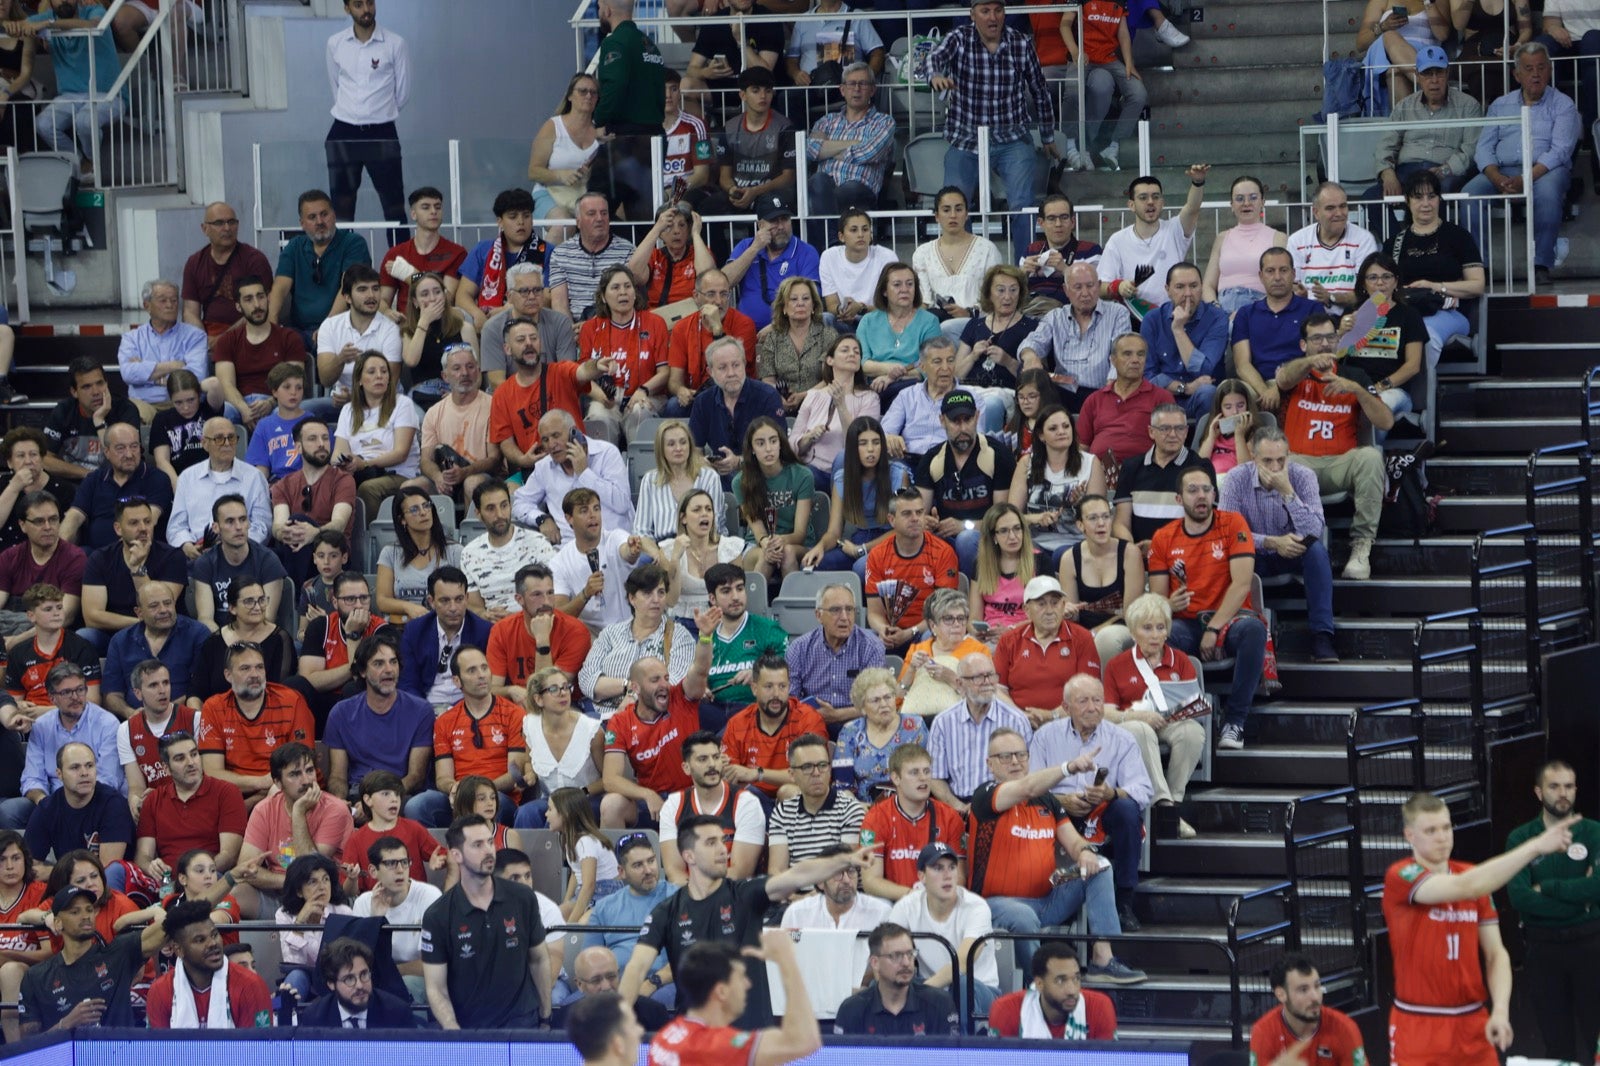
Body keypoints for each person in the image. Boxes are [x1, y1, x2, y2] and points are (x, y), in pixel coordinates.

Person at [623, 812, 873, 1028]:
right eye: (711, 843)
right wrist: (617, 1021)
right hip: (698, 1043)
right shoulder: (666, 911)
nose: (723, 849)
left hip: (751, 1041)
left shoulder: (745, 894)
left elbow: (796, 875)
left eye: (724, 840)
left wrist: (845, 860)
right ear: (688, 856)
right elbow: (636, 968)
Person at [1385, 793, 1578, 1065]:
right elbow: (1466, 886)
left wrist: (1499, 1010)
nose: (1442, 837)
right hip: (1420, 1021)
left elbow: (1496, 954)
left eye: (1446, 827)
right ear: (1409, 836)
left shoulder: (1472, 876)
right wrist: (1535, 846)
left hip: (1472, 1021)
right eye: (1430, 830)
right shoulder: (1401, 875)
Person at [968, 728, 1142, 982]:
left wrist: (1084, 852)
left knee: (1101, 866)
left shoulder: (1046, 800)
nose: (1015, 761)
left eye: (1020, 755)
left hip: (1048, 899)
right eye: (1005, 756)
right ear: (990, 764)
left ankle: (1103, 961)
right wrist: (1069, 767)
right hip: (997, 903)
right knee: (1022, 916)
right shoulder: (985, 795)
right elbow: (1026, 788)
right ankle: (1041, 982)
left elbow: (1073, 841)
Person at [1148, 466, 1267, 751]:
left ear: (1215, 493)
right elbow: (1157, 600)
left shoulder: (1232, 523)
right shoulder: (1163, 538)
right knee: (1163, 637)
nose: (1201, 496)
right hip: (1187, 622)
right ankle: (1184, 718)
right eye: (1192, 490)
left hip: (1231, 619)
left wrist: (1214, 628)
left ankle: (1235, 721)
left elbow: (1241, 584)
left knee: (1254, 630)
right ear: (1179, 499)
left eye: (1206, 489)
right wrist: (1168, 604)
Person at [926, 1, 1058, 247]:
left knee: (1023, 205)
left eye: (998, 10)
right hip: (966, 139)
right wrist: (935, 75)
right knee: (954, 205)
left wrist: (1048, 136)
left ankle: (1024, 270)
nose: (992, 17)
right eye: (985, 11)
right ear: (972, 14)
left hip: (1013, 139)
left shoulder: (1021, 43)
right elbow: (934, 57)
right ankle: (962, 267)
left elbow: (1040, 90)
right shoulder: (959, 38)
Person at [1029, 674, 1151, 928]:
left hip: (1102, 810)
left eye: (1097, 700)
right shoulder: (1044, 737)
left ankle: (1124, 902)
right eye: (1083, 701)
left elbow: (1142, 789)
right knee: (1039, 809)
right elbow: (1031, 788)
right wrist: (1062, 800)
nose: (1093, 707)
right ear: (1065, 708)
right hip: (1057, 808)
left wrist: (1111, 793)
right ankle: (1045, 897)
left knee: (1127, 810)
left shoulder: (1122, 738)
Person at [1277, 315, 1393, 581]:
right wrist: (1308, 363)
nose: (1325, 344)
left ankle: (1361, 547)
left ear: (1338, 341)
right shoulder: (1296, 374)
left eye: (1330, 337)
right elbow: (1282, 380)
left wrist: (1358, 390)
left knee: (1372, 457)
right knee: (1285, 465)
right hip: (1300, 462)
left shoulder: (1355, 375)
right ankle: (1301, 549)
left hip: (1341, 463)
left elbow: (1386, 421)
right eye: (1316, 339)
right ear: (1303, 345)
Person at [1503, 760, 1600, 1059]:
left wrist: (1547, 888)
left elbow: (1597, 887)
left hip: (1590, 946)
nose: (1563, 793)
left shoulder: (1594, 832)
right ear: (1538, 791)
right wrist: (1579, 901)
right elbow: (1519, 897)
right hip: (1542, 948)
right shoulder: (1521, 839)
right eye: (1554, 786)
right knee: (1556, 1042)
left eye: (1569, 786)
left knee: (1597, 1038)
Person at [1462, 43, 1578, 288]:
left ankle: (1542, 264)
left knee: (1547, 192)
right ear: (1517, 75)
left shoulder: (1563, 104)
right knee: (1468, 195)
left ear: (1550, 70)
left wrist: (1526, 178)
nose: (1536, 74)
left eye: (1541, 68)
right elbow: (1484, 147)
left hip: (1545, 170)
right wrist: (1495, 177)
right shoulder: (1500, 105)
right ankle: (1478, 268)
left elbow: (1560, 151)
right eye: (1528, 68)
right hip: (1502, 171)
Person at [1220, 428, 1337, 662]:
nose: (1275, 468)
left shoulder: (1303, 476)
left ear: (1289, 456)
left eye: (1281, 460)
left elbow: (1314, 531)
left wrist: (1288, 493)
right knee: (1226, 555)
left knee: (1316, 551)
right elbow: (1227, 534)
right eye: (1267, 461)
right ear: (1253, 457)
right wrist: (1271, 542)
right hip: (1254, 557)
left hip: (1294, 552)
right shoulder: (1236, 478)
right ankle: (1236, 634)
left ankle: (1322, 636)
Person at [423, 815, 552, 1027]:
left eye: (490, 842)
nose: (489, 850)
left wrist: (546, 1017)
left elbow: (539, 959)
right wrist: (454, 1033)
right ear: (456, 854)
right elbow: (436, 987)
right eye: (477, 845)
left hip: (521, 1022)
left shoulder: (523, 898)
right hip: (468, 1027)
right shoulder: (438, 914)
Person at [15, 884, 169, 1035]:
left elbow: (167, 929)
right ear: (58, 923)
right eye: (75, 912)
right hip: (65, 1059)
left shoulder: (118, 953)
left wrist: (157, 910)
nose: (86, 916)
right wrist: (67, 1023)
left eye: (89, 910)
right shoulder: (36, 976)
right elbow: (29, 1044)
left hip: (118, 1057)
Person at [1364, 46, 1481, 234]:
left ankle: (1436, 252)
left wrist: (1445, 170)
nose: (1434, 80)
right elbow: (1386, 144)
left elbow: (1471, 150)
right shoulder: (1405, 106)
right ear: (1418, 75)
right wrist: (1387, 173)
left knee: (1436, 193)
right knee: (1371, 197)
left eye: (1439, 73)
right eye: (1427, 74)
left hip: (1445, 171)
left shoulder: (1468, 105)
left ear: (1447, 73)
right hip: (1407, 171)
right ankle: (1397, 248)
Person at [197, 644, 317, 810]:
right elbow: (212, 774)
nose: (255, 675)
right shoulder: (214, 707)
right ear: (228, 675)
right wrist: (261, 782)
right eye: (245, 668)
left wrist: (249, 804)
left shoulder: (291, 701)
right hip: (236, 794)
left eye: (259, 667)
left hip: (286, 792)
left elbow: (301, 770)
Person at [323, 0, 408, 231]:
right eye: (358, 4)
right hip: (344, 128)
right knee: (341, 207)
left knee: (394, 206)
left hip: (382, 130)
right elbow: (336, 86)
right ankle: (342, 266)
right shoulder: (335, 43)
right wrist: (353, 112)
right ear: (347, 8)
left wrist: (377, 113)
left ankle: (399, 267)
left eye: (369, 3)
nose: (366, 10)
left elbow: (402, 93)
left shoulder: (394, 43)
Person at [885, 841, 999, 1014]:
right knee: (887, 982)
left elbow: (962, 962)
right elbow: (886, 949)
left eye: (952, 867)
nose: (947, 875)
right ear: (922, 876)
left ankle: (963, 1042)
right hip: (931, 987)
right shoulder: (907, 906)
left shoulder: (977, 907)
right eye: (938, 868)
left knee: (961, 984)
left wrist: (919, 993)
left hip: (979, 989)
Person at [490, 319, 612, 480]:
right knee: (509, 494)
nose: (529, 343)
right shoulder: (502, 394)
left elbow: (583, 371)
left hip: (574, 464)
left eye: (534, 338)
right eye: (521, 340)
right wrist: (522, 459)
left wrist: (597, 366)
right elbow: (505, 442)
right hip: (535, 470)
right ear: (507, 349)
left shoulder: (560, 372)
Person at [1392, 169, 1487, 368]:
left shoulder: (1458, 236)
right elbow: (1382, 288)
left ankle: (1419, 396)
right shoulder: (1394, 243)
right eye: (1418, 197)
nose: (1425, 203)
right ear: (1407, 201)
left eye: (1431, 196)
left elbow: (1478, 285)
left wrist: (1434, 286)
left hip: (1449, 313)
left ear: (1439, 199)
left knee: (1422, 336)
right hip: (1405, 312)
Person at [324, 632, 432, 802]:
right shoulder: (341, 713)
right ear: (362, 671)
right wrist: (340, 804)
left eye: (393, 662)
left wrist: (379, 801)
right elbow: (338, 776)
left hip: (401, 793)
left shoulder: (421, 710)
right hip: (357, 793)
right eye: (378, 664)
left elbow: (415, 777)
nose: (389, 670)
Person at [925, 651, 1033, 814]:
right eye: (978, 677)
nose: (987, 682)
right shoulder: (943, 723)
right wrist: (959, 808)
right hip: (958, 807)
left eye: (991, 675)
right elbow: (935, 777)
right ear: (960, 684)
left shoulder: (1016, 720)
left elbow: (1028, 774)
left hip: (1006, 805)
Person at [804, 415, 912, 577]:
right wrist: (819, 547)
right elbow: (834, 532)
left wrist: (862, 549)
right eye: (863, 443)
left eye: (876, 443)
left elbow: (902, 529)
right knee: (814, 565)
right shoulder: (842, 479)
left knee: (862, 568)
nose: (871, 449)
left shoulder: (898, 475)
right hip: (859, 538)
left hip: (891, 541)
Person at [657, 729, 766, 883]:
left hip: (734, 896)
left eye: (716, 757)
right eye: (702, 759)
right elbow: (675, 872)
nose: (712, 765)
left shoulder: (746, 803)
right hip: (689, 896)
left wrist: (701, 892)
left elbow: (740, 872)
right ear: (686, 768)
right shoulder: (673, 805)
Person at [132, 730, 245, 877]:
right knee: (118, 871)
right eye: (180, 758)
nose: (191, 762)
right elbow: (143, 856)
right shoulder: (153, 800)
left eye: (194, 754)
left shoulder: (227, 792)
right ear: (166, 768)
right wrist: (151, 867)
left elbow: (229, 855)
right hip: (165, 881)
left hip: (211, 878)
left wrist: (194, 876)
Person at [576, 266, 671, 443]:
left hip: (647, 394)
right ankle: (603, 470)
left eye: (628, 287)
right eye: (615, 287)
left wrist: (643, 390)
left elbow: (664, 372)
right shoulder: (590, 328)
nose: (623, 293)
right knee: (599, 416)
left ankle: (642, 471)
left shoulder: (655, 323)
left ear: (635, 293)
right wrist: (601, 396)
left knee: (639, 413)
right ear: (603, 296)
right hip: (606, 395)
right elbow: (583, 375)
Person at [145, 899, 274, 1029]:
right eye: (200, 940)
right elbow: (158, 1048)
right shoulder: (160, 991)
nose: (213, 943)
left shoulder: (250, 986)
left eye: (214, 934)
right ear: (178, 950)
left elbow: (258, 1048)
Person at [1096, 167, 1210, 313]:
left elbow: (1193, 208)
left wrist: (1198, 182)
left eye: (1155, 197)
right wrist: (1118, 287)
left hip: (1174, 315)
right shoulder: (1117, 240)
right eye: (1143, 198)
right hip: (1134, 318)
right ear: (1131, 205)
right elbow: (1100, 287)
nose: (1150, 202)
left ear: (1162, 202)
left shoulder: (1174, 229)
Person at [993, 577, 1101, 728]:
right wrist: (1020, 717)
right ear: (1026, 610)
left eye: (1055, 603)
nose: (1050, 611)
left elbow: (1088, 694)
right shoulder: (1009, 640)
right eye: (1041, 604)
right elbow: (997, 690)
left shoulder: (1082, 638)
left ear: (1063, 605)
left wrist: (1051, 716)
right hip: (1018, 724)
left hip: (1068, 724)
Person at [720, 656, 830, 804]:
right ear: (754, 688)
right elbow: (730, 774)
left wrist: (757, 774)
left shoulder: (808, 718)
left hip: (797, 802)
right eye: (769, 686)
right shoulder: (737, 724)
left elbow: (811, 774)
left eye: (782, 686)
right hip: (752, 801)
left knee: (789, 792)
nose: (776, 694)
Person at [269, 190, 372, 347]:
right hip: (299, 331)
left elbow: (348, 287)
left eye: (324, 214)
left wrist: (327, 327)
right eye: (312, 217)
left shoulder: (353, 243)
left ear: (334, 215)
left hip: (343, 329)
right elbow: (280, 288)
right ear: (302, 223)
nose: (319, 221)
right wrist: (271, 325)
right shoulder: (295, 246)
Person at [515, 410, 634, 544]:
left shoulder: (606, 453)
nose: (551, 445)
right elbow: (520, 502)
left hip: (613, 545)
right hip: (569, 549)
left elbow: (622, 504)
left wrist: (584, 473)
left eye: (556, 435)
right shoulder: (544, 467)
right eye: (545, 440)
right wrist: (541, 518)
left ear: (574, 433)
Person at [333, 351, 428, 520]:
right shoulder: (348, 410)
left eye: (384, 372)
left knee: (368, 489)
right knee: (333, 485)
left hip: (397, 474)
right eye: (372, 372)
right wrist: (345, 462)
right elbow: (337, 455)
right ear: (359, 380)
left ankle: (369, 541)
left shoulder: (402, 404)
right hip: (359, 472)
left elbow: (400, 453)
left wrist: (365, 464)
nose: (379, 376)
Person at [1055, 0, 1146, 173]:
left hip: (1109, 59)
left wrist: (1128, 62)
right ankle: (1070, 143)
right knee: (1073, 93)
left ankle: (1114, 145)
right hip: (1083, 56)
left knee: (1138, 93)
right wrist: (1075, 52)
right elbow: (1065, 25)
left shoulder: (1119, 1)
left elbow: (1123, 33)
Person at [864, 488, 959, 653]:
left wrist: (910, 632)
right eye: (907, 514)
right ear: (891, 520)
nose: (915, 519)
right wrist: (883, 630)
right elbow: (874, 613)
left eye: (920, 512)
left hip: (925, 630)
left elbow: (942, 612)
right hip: (892, 633)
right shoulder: (877, 555)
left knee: (933, 635)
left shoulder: (943, 552)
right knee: (864, 638)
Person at [295, 570, 396, 725]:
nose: (358, 605)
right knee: (296, 685)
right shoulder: (321, 626)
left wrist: (353, 635)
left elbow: (363, 679)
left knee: (353, 688)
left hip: (362, 703)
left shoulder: (382, 630)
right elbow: (309, 679)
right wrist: (352, 668)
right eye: (350, 599)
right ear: (335, 602)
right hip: (323, 701)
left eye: (363, 598)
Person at [1010, 404, 1105, 568]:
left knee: (1062, 556)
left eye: (1066, 426)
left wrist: (1082, 504)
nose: (1062, 431)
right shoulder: (1026, 464)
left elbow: (1100, 519)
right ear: (1041, 435)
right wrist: (1035, 518)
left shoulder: (1090, 463)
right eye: (1053, 428)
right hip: (1035, 544)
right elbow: (1009, 517)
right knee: (1027, 557)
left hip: (1075, 544)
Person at [1111, 402, 1215, 550]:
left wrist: (1160, 550)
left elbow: (1206, 523)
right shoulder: (1131, 467)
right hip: (1139, 558)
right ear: (1151, 432)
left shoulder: (1201, 467)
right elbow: (1121, 523)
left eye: (1179, 428)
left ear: (1186, 432)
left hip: (1186, 557)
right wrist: (1132, 551)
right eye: (1165, 428)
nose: (1173, 434)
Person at [23, 741, 134, 880]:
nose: (84, 773)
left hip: (112, 888)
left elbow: (105, 870)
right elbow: (27, 867)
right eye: (75, 767)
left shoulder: (113, 804)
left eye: (89, 766)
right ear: (59, 774)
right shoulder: (47, 808)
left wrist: (54, 872)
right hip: (69, 886)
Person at [268, 417, 357, 590]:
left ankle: (296, 598)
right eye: (312, 439)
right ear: (298, 447)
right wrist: (283, 532)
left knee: (299, 520)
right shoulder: (283, 485)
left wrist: (314, 533)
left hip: (332, 557)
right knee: (265, 552)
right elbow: (278, 525)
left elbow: (339, 524)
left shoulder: (343, 480)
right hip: (293, 554)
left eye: (325, 438)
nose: (321, 444)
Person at [1230, 248, 1322, 413]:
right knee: (1233, 394)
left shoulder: (1313, 309)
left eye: (1283, 270)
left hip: (1298, 381)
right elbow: (1242, 364)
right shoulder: (1246, 314)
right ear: (1261, 276)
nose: (1277, 277)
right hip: (1258, 384)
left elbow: (1315, 358)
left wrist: (1278, 388)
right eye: (1270, 271)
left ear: (1293, 274)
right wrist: (1266, 392)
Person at [16, 662, 121, 808]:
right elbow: (32, 778)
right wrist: (44, 801)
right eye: (66, 692)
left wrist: (72, 804)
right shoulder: (41, 726)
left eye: (80, 690)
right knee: (12, 810)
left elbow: (108, 779)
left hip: (94, 800)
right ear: (52, 698)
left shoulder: (107, 724)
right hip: (51, 801)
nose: (75, 697)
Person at [1339, 252, 1427, 424]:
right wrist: (1341, 332)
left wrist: (1378, 388)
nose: (1380, 282)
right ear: (1364, 283)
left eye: (1386, 276)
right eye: (1373, 277)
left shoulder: (1409, 315)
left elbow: (1413, 366)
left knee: (1375, 406)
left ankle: (1372, 450)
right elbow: (1335, 356)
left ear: (1396, 282)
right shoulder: (1352, 313)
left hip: (1392, 390)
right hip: (1352, 386)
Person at [580, 835, 676, 991]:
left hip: (662, 984)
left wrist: (652, 983)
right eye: (638, 865)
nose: (648, 870)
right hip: (611, 985)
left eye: (651, 861)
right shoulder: (604, 907)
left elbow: (692, 956)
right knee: (571, 1009)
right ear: (622, 871)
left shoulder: (679, 898)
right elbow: (589, 960)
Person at [689, 338, 787, 488]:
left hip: (762, 477)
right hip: (718, 479)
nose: (731, 373)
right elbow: (694, 450)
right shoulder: (703, 402)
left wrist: (739, 462)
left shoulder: (767, 396)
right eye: (722, 368)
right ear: (710, 372)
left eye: (736, 365)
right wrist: (706, 463)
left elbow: (779, 451)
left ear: (744, 364)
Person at [486, 564, 592, 703]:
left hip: (565, 707)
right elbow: (490, 689)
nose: (546, 602)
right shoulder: (502, 630)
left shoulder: (576, 631)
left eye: (550, 593)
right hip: (518, 707)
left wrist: (542, 640)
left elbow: (549, 692)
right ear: (519, 599)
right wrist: (510, 690)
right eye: (537, 595)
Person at [1058, 493, 1143, 667]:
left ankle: (1106, 693)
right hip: (1083, 630)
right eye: (1093, 518)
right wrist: (1069, 612)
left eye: (1106, 516)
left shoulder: (1129, 553)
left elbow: (1130, 614)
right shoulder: (1069, 559)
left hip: (1122, 627)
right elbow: (1072, 617)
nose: (1101, 524)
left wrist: (1096, 632)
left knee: (1106, 639)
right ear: (1080, 525)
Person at [785, 582, 886, 726]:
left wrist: (838, 716)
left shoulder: (871, 646)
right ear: (818, 615)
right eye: (835, 610)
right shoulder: (799, 649)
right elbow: (790, 700)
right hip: (811, 723)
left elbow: (879, 702)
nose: (844, 617)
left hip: (860, 725)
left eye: (849, 609)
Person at [115, 280, 215, 425]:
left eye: (174, 300)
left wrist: (147, 372)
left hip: (183, 403)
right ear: (146, 306)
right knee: (132, 415)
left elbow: (196, 376)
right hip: (145, 404)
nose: (170, 305)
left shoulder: (195, 336)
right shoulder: (131, 338)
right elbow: (128, 373)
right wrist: (176, 365)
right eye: (163, 300)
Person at [187, 576, 296, 706]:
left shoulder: (280, 639)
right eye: (249, 601)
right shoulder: (214, 642)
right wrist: (200, 718)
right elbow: (195, 692)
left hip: (266, 717)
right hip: (217, 718)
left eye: (261, 600)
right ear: (232, 608)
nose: (258, 607)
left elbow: (281, 692)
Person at [664, 269, 758, 419]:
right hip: (697, 396)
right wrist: (681, 390)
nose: (718, 301)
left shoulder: (744, 324)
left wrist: (717, 329)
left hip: (734, 392)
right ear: (696, 296)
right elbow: (674, 380)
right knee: (673, 406)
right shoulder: (682, 328)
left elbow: (732, 372)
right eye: (711, 294)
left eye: (724, 294)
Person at [1140, 263, 1228, 421]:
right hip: (1162, 398)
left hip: (1201, 398)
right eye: (1180, 287)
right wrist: (1185, 388)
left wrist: (1178, 330)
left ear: (1202, 287)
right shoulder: (1152, 319)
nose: (1188, 294)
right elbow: (1148, 375)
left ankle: (1203, 445)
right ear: (1167, 290)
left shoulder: (1217, 317)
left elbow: (1204, 371)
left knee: (1207, 392)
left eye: (1194, 286)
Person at [915, 188, 1003, 345]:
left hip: (980, 322)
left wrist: (969, 312)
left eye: (959, 209)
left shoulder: (987, 249)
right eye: (946, 210)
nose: (953, 215)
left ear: (967, 213)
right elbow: (924, 302)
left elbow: (997, 295)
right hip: (936, 326)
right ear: (936, 216)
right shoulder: (922, 253)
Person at [397, 567, 492, 712]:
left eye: (459, 599)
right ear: (431, 601)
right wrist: (423, 712)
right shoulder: (415, 631)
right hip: (425, 708)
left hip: (469, 709)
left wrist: (454, 715)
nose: (453, 608)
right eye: (445, 601)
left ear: (467, 598)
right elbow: (408, 684)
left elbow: (487, 685)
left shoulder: (484, 631)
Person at [805, 64, 894, 216]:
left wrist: (827, 148)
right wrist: (854, 143)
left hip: (860, 189)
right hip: (825, 185)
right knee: (818, 181)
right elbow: (810, 150)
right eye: (851, 83)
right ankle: (834, 240)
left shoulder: (884, 122)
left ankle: (828, 239)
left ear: (872, 90)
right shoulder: (826, 121)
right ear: (842, 90)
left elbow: (867, 154)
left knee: (833, 195)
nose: (857, 89)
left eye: (863, 84)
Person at [768, 737, 867, 873]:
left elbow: (845, 869)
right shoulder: (782, 813)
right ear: (792, 775)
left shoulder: (850, 810)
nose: (816, 773)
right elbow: (776, 871)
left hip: (837, 890)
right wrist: (796, 896)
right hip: (794, 891)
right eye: (807, 767)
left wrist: (814, 894)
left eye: (822, 765)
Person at [1249, 952, 1368, 1065]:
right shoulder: (1263, 1032)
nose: (1315, 997)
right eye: (1303, 990)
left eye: (1317, 986)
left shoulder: (1345, 1028)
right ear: (1281, 994)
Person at [724, 199, 822, 335]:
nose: (781, 226)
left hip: (791, 331)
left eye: (785, 219)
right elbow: (724, 282)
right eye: (774, 221)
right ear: (761, 225)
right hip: (745, 332)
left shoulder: (806, 251)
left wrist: (778, 326)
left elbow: (812, 298)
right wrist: (755, 248)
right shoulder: (746, 246)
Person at [188, 495, 286, 631]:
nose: (239, 527)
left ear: (249, 523)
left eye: (243, 519)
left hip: (260, 639)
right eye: (230, 521)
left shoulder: (268, 560)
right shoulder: (205, 563)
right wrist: (225, 642)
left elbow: (267, 618)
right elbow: (206, 618)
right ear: (216, 527)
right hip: (220, 638)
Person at [460, 481, 554, 623]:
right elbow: (475, 606)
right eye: (491, 509)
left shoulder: (538, 543)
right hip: (493, 627)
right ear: (478, 514)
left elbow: (552, 598)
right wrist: (485, 614)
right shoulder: (469, 553)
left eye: (504, 506)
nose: (499, 514)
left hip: (534, 623)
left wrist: (515, 619)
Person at [182, 204, 275, 345]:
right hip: (206, 336)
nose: (227, 228)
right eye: (219, 223)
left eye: (232, 222)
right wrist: (201, 341)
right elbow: (190, 312)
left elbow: (263, 307)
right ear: (204, 229)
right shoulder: (195, 262)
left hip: (247, 334)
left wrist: (223, 340)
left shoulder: (253, 259)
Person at [41, 357, 142, 486]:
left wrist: (99, 421)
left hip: (116, 483)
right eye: (86, 387)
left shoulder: (126, 410)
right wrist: (88, 474)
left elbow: (125, 461)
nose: (96, 392)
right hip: (74, 484)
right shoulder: (63, 411)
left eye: (100, 383)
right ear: (74, 392)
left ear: (107, 384)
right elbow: (44, 459)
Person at [0, 494, 86, 644]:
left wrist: (17, 641)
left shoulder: (74, 558)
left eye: (53, 519)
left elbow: (64, 616)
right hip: (10, 628)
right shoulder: (9, 557)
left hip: (51, 635)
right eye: (39, 521)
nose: (48, 527)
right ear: (22, 525)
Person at [1076, 334, 1174, 464]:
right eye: (1127, 354)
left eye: (1140, 354)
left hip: (1144, 473)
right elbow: (1082, 446)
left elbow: (1171, 444)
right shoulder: (1094, 400)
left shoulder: (1161, 398)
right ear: (1113, 360)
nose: (1135, 360)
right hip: (1099, 473)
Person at [989, 940, 1118, 1040]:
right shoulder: (1006, 1009)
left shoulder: (1100, 1006)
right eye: (1060, 981)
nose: (1072, 990)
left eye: (1076, 979)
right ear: (1039, 984)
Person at [835, 668, 926, 803]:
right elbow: (842, 785)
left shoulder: (914, 726)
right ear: (863, 708)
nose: (884, 704)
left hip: (907, 805)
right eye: (876, 700)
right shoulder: (850, 732)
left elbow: (925, 775)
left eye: (888, 697)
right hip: (862, 809)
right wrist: (856, 808)